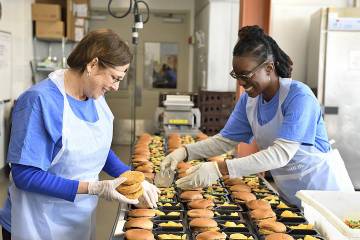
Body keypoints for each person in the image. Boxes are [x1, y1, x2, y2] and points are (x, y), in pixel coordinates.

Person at [160, 25, 349, 207]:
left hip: (326, 195)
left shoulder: (299, 97)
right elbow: (224, 141)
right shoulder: (250, 100)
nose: (241, 82)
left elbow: (281, 154)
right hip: (291, 196)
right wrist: (184, 152)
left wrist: (219, 169)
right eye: (237, 75)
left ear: (268, 68)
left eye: (246, 75)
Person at [0, 29, 159, 240]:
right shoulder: (40, 102)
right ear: (92, 65)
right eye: (114, 77)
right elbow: (25, 175)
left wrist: (132, 178)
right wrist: (94, 188)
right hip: (36, 222)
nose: (116, 87)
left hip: (77, 221)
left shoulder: (95, 97)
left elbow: (97, 149)